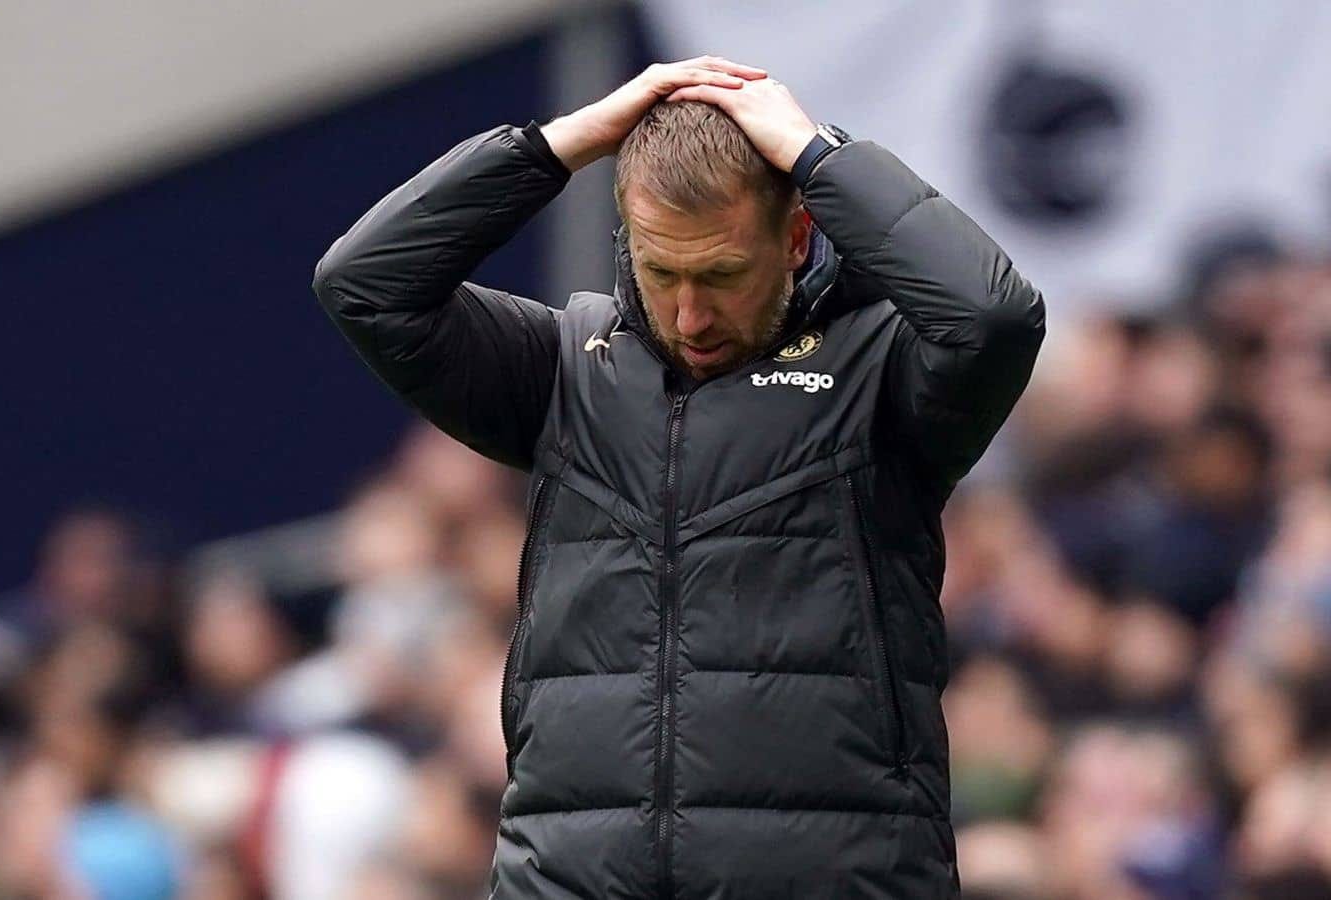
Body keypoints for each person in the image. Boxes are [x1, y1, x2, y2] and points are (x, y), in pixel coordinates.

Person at [313, 56, 1046, 899]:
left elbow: (993, 314)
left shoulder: (883, 370)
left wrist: (819, 155)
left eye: (722, 275)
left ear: (798, 235)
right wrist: (561, 144)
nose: (691, 315)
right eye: (662, 274)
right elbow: (364, 284)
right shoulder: (562, 366)